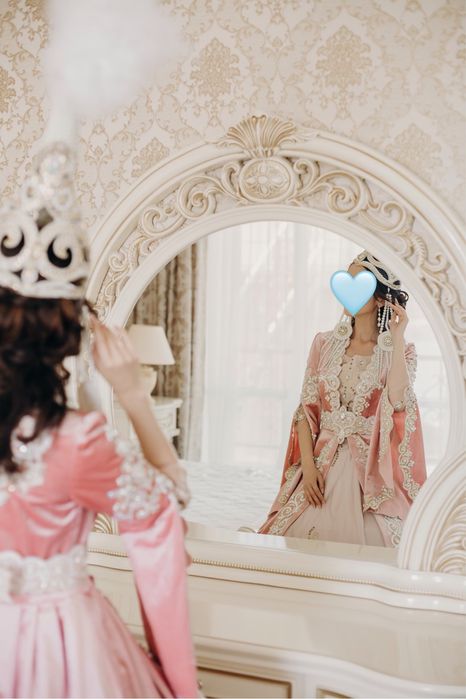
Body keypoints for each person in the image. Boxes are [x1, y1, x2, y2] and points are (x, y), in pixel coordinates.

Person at [0, 143, 198, 697]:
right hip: (55, 646)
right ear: (68, 336)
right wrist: (132, 394)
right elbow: (167, 506)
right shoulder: (74, 441)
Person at [258, 251, 427, 547]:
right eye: (346, 280)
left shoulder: (401, 352)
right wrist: (308, 468)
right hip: (321, 462)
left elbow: (399, 403)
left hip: (369, 471)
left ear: (380, 297)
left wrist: (397, 337)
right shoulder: (324, 344)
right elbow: (305, 411)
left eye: (358, 283)